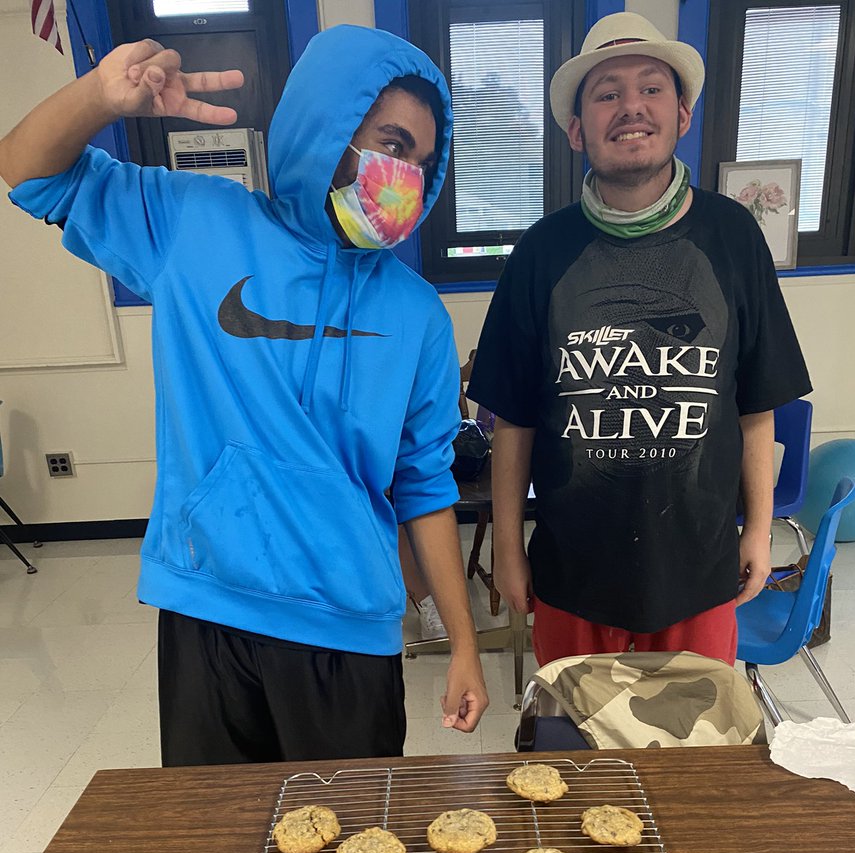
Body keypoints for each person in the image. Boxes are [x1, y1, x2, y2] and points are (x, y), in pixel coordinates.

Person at [0, 24, 488, 764]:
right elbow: (28, 172)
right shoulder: (194, 224)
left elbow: (424, 484)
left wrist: (463, 643)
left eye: (422, 161)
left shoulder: (416, 312)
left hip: (347, 629)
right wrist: (101, 96)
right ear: (330, 125)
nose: (407, 177)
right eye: (391, 145)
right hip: (208, 609)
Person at [468, 13, 812, 668]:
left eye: (651, 88)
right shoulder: (540, 254)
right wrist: (508, 550)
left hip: (699, 572)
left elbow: (756, 404)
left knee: (690, 767)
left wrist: (761, 532)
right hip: (573, 576)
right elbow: (512, 422)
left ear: (682, 114)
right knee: (578, 759)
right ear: (577, 128)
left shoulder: (734, 237)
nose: (631, 107)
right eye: (607, 93)